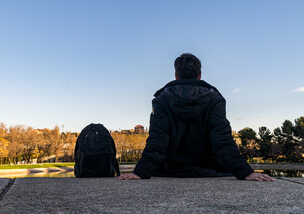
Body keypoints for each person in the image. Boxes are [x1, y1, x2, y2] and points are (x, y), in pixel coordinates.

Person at [117, 53, 274, 182]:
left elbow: (158, 139)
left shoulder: (162, 100)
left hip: (171, 171)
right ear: (199, 75)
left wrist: (141, 172)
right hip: (211, 170)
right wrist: (245, 172)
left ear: (176, 75)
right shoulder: (215, 99)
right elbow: (222, 139)